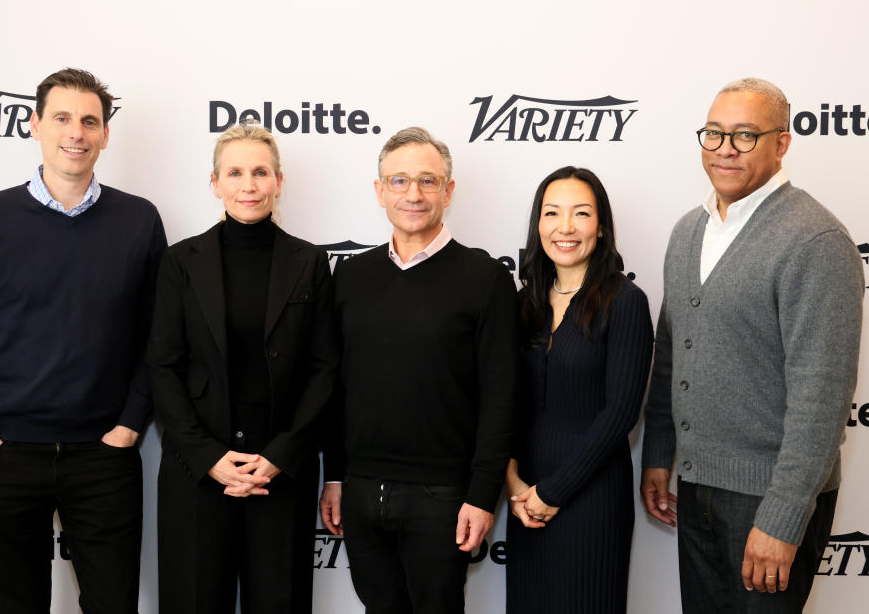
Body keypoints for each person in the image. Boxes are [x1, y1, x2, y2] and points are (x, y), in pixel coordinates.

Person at [0, 68, 166, 614]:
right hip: (2, 454)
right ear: (34, 124)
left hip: (103, 457)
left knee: (113, 604)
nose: (75, 132)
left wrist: (129, 426)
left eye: (89, 121)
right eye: (61, 118)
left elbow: (159, 339)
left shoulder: (139, 221)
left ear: (105, 134)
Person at [640, 78, 863, 613]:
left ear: (782, 143)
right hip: (695, 490)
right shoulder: (687, 232)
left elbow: (822, 396)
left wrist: (782, 518)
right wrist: (658, 454)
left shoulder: (815, 241)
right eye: (714, 133)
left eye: (744, 135)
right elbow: (671, 356)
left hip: (767, 503)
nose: (724, 149)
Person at [319, 126, 519, 614]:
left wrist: (480, 495)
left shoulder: (485, 277)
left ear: (448, 192)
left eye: (428, 181)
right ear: (379, 191)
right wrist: (337, 477)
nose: (413, 193)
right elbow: (336, 386)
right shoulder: (350, 276)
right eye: (399, 181)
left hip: (444, 496)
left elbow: (502, 395)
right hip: (363, 493)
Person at [147, 123, 338, 614]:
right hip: (197, 473)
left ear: (278, 180)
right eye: (235, 172)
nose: (248, 185)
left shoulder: (311, 262)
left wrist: (282, 453)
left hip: (279, 472)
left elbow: (324, 369)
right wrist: (208, 456)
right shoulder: (179, 261)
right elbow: (163, 368)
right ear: (215, 183)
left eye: (260, 172)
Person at [505, 166, 654, 613]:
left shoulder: (625, 301)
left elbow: (620, 414)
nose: (565, 228)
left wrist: (553, 492)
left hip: (590, 498)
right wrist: (513, 482)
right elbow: (507, 401)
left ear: (601, 226)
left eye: (581, 214)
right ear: (538, 225)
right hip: (523, 499)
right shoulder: (525, 300)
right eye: (552, 213)